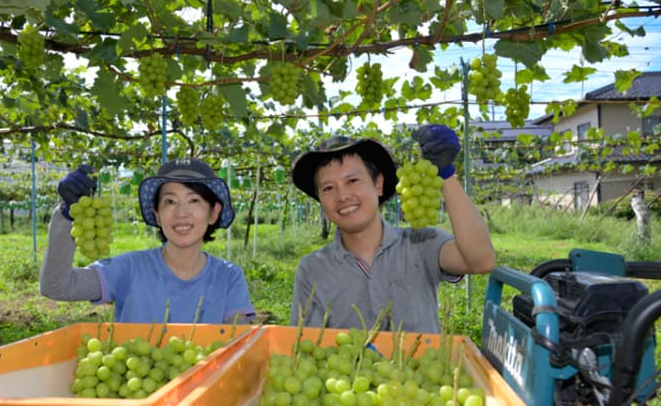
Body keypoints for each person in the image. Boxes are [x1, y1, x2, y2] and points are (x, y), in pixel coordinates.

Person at [289, 125, 496, 333]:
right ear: (320, 200)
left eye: (352, 180)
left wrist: (447, 176)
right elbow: (306, 345)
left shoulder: (421, 243)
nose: (342, 196)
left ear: (378, 184)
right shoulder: (312, 270)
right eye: (328, 188)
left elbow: (481, 261)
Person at [40, 158, 256, 324]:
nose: (182, 212)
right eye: (170, 201)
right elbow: (56, 287)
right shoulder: (129, 268)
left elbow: (238, 344)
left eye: (194, 200)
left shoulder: (229, 277)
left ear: (213, 213)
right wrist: (65, 216)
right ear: (157, 215)